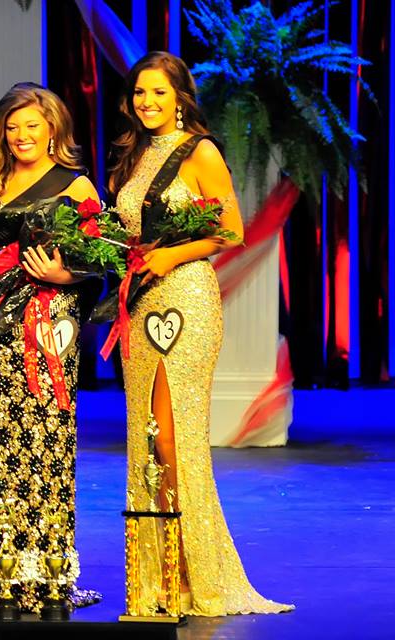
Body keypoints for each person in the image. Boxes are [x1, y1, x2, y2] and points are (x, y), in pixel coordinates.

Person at [107, 51, 293, 616]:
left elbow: (230, 229)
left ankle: (193, 575)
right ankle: (159, 576)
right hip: (140, 306)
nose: (148, 102)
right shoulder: (134, 154)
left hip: (186, 297)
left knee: (173, 438)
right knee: (146, 439)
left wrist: (170, 259)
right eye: (140, 93)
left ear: (181, 96)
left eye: (159, 93)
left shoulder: (201, 152)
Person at [0, 82, 101, 612]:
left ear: (53, 127)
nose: (21, 135)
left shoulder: (77, 187)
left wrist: (64, 272)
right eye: (12, 127)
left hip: (50, 322)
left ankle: (50, 576)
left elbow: (102, 259)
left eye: (32, 125)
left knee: (48, 441)